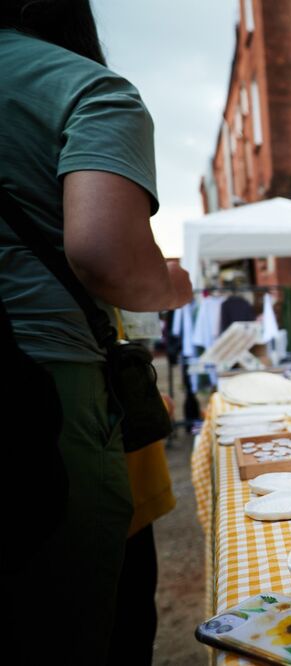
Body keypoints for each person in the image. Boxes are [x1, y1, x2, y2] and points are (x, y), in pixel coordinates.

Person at [0, 1, 192, 661]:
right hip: (45, 395)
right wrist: (170, 285)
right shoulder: (85, 88)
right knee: (78, 626)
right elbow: (108, 257)